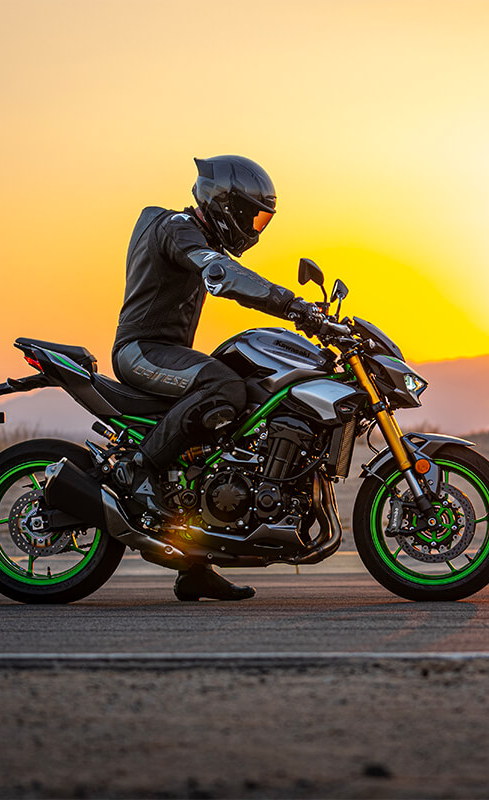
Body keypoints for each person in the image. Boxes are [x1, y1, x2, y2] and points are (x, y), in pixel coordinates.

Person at [111, 155, 322, 601]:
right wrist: (293, 306)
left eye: (264, 220)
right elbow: (222, 275)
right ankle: (139, 470)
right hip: (141, 351)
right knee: (223, 386)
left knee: (236, 408)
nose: (257, 228)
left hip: (167, 353)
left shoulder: (193, 234)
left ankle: (195, 565)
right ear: (226, 203)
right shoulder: (176, 229)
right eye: (254, 217)